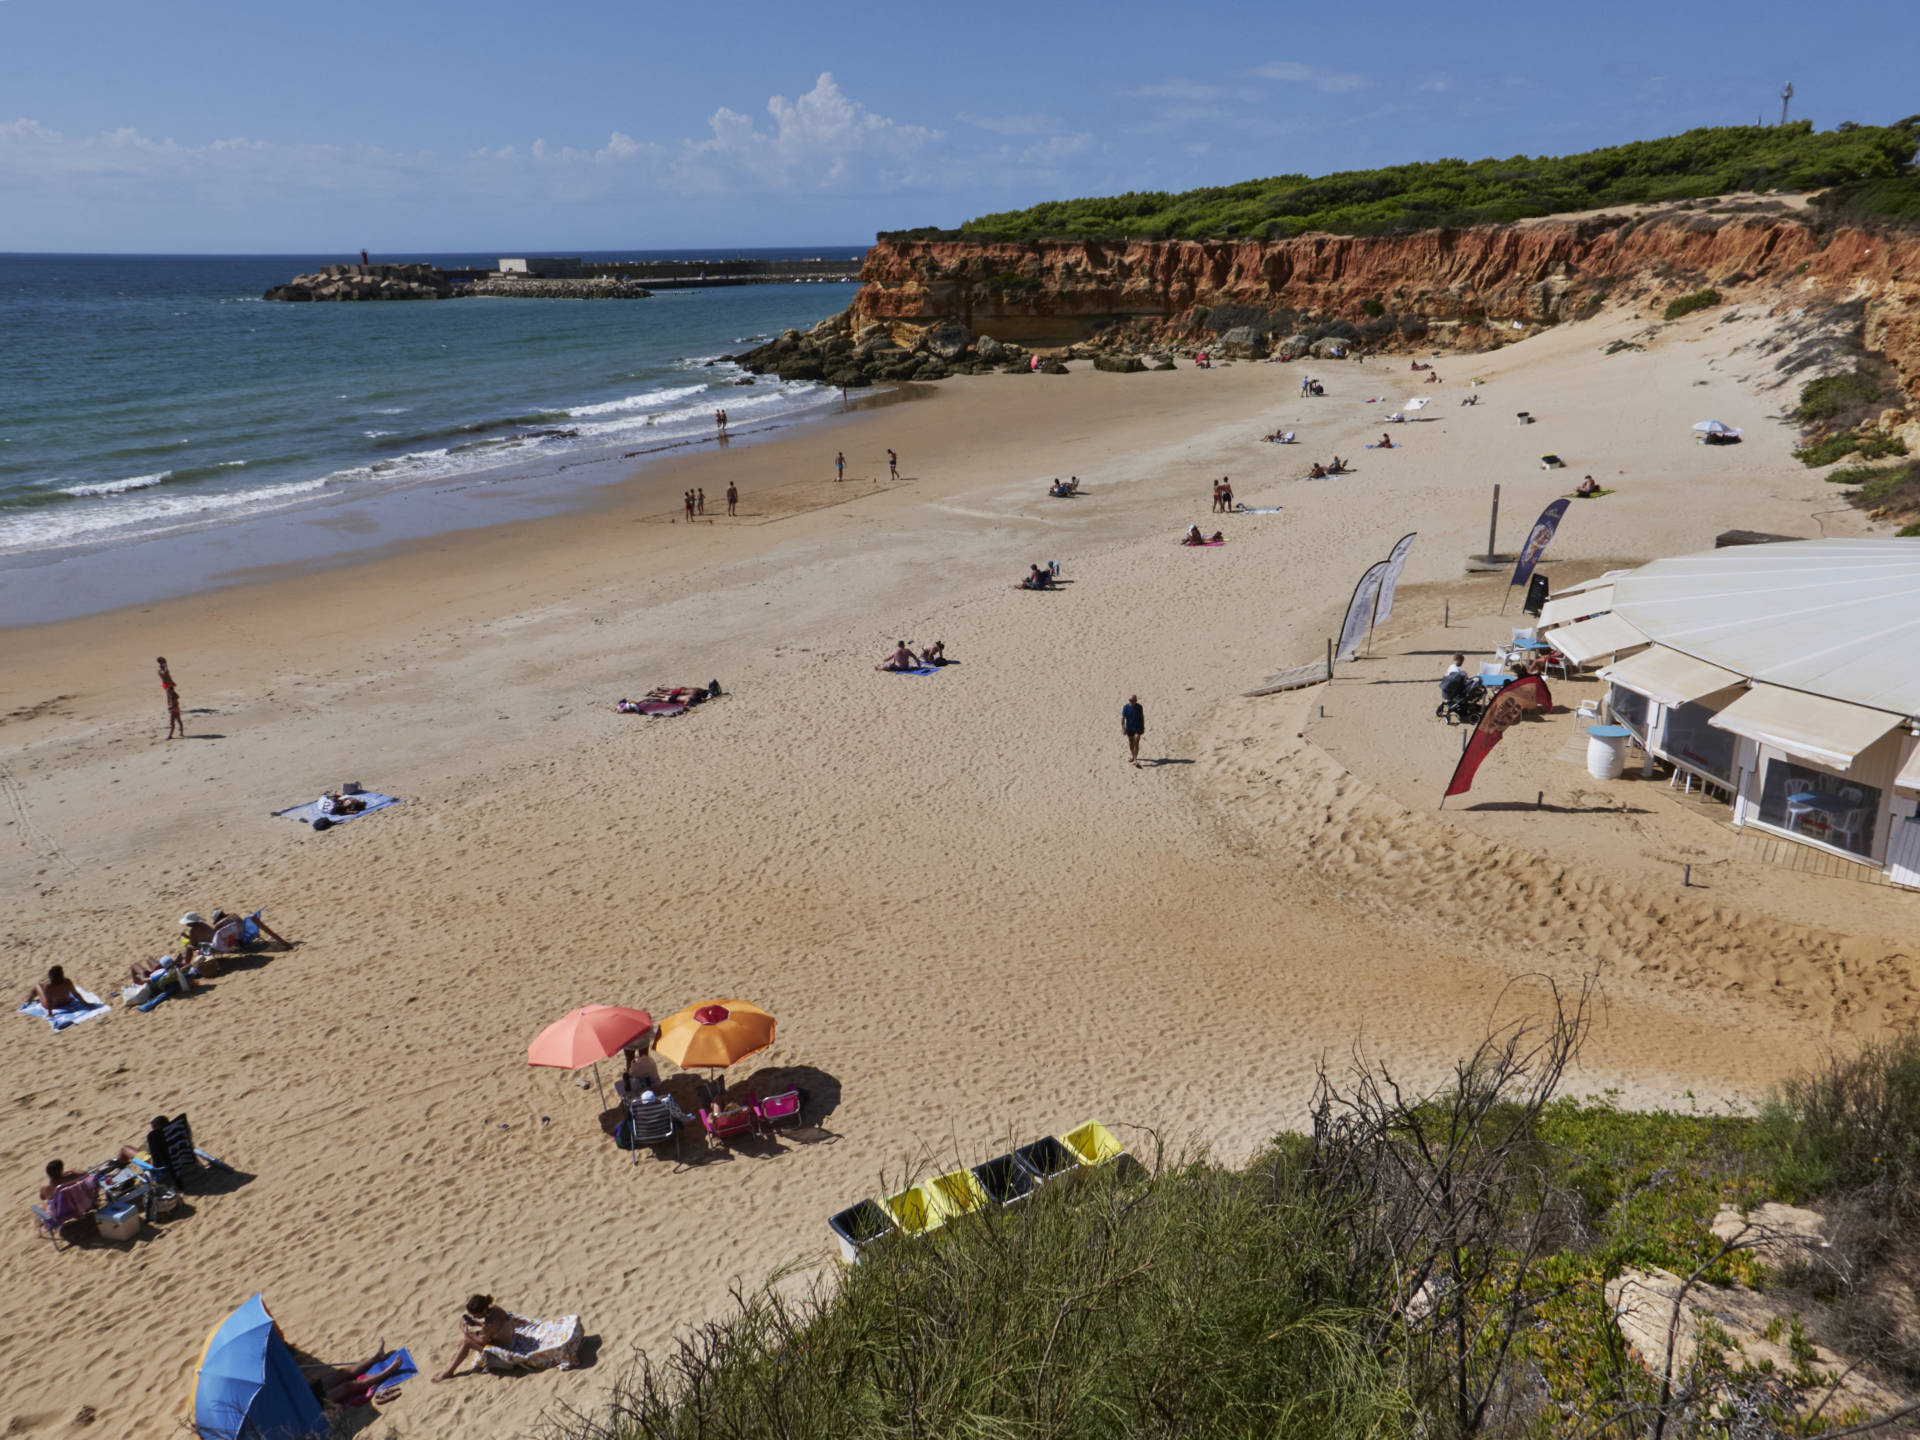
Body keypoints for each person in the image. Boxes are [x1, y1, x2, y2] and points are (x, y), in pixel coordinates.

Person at [432, 1295, 516, 1383]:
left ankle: (449, 1372)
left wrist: (466, 1333)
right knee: (471, 1336)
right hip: (510, 1337)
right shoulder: (495, 1308)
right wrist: (478, 1324)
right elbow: (495, 1327)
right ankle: (459, 1355)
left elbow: (484, 1341)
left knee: (466, 1342)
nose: (474, 1317)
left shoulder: (487, 1325)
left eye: (475, 1315)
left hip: (504, 1348)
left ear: (483, 1310)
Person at [158, 657, 184, 741]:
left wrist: (170, 707)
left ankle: (170, 735)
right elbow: (164, 674)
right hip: (175, 707)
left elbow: (166, 675)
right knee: (178, 720)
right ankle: (181, 732)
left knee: (172, 722)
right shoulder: (160, 670)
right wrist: (165, 667)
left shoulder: (171, 693)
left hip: (173, 708)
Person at [1121, 695, 1145, 767]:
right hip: (1129, 727)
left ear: (1136, 701)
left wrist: (1143, 727)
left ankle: (1135, 759)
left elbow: (1142, 717)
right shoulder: (1125, 707)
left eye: (1132, 700)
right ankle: (1133, 756)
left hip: (1138, 727)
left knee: (1137, 741)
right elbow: (1123, 718)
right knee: (1131, 742)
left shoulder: (1139, 707)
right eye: (1130, 700)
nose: (1131, 702)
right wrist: (1123, 728)